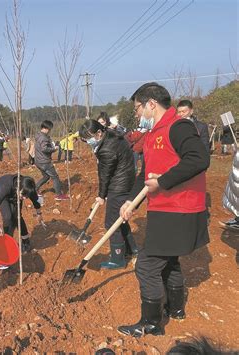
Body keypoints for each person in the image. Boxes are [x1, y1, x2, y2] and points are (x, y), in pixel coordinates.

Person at [118, 82, 209, 337]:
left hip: (178, 210)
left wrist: (163, 181)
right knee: (168, 260)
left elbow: (199, 158)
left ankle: (151, 323)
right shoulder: (152, 135)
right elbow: (144, 175)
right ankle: (176, 309)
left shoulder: (178, 127)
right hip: (163, 209)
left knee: (146, 265)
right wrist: (130, 201)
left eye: (137, 109)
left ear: (151, 104)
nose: (137, 115)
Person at [78, 119, 138, 268]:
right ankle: (132, 249)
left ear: (99, 133)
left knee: (111, 223)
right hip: (126, 180)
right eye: (85, 141)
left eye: (89, 139)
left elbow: (105, 175)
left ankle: (117, 259)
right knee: (120, 219)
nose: (88, 142)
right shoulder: (112, 135)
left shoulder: (106, 149)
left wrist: (101, 195)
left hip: (119, 186)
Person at [0, 175, 43, 254]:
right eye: (23, 195)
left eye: (27, 196)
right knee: (8, 216)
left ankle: (25, 241)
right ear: (18, 187)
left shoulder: (28, 188)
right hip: (0, 189)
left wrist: (39, 214)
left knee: (17, 216)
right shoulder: (5, 187)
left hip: (15, 192)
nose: (25, 198)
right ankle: (7, 242)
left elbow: (35, 201)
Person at [34, 120, 69, 201]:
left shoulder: (38, 135)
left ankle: (35, 189)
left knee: (46, 176)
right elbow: (44, 149)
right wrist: (54, 149)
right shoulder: (43, 137)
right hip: (45, 162)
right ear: (47, 128)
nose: (50, 131)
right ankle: (59, 195)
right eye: (50, 129)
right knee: (55, 177)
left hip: (38, 161)